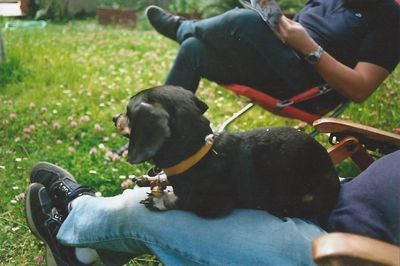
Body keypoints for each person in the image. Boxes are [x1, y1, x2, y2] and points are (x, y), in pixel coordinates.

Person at [25, 149, 400, 265]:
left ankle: (75, 216)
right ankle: (88, 252)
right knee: (196, 188)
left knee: (149, 208)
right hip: (322, 199)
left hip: (336, 250)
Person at [145, 0, 399, 114]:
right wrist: (275, 19)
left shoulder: (390, 18)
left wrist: (310, 48)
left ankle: (181, 27)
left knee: (246, 20)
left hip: (309, 90)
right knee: (193, 49)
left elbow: (360, 89)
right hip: (280, 66)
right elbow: (295, 33)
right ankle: (154, 129)